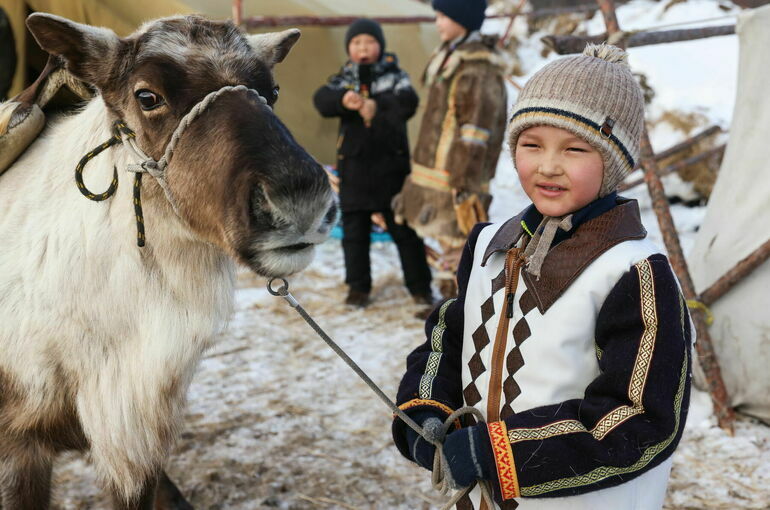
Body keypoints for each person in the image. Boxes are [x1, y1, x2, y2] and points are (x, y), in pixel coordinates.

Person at [391, 44, 693, 510]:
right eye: (532, 145)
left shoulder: (632, 271)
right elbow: (447, 340)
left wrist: (501, 455)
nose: (548, 166)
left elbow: (642, 419)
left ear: (613, 163)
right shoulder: (490, 244)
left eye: (575, 149)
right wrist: (425, 409)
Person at [313, 18, 434, 308]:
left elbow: (408, 103)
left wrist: (376, 108)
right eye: (356, 43)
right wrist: (344, 99)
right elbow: (321, 99)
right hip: (354, 170)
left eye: (369, 42)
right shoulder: (344, 78)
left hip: (390, 170)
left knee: (405, 233)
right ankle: (358, 289)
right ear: (349, 48)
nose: (363, 48)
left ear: (380, 45)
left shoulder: (395, 76)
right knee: (354, 236)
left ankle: (420, 289)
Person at [392, 0, 507, 299]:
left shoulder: (478, 68)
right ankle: (448, 299)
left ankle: (457, 301)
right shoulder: (450, 56)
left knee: (459, 237)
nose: (438, 22)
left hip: (455, 173)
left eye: (445, 16)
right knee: (444, 240)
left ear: (464, 18)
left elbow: (475, 129)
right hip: (435, 169)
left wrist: (463, 176)